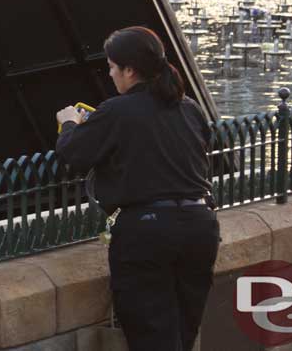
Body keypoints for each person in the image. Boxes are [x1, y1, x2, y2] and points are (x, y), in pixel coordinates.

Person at [55, 26, 219, 351]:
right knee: (183, 332)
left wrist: (70, 123)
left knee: (150, 334)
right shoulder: (188, 108)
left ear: (129, 70)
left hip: (147, 233)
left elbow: (74, 153)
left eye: (113, 68)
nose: (111, 75)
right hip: (200, 225)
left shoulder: (117, 110)